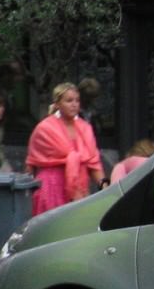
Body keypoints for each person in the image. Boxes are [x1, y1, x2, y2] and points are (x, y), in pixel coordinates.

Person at [25, 82, 105, 215]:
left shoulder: (86, 128)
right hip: (50, 190)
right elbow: (31, 164)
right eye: (69, 100)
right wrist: (25, 195)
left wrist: (107, 190)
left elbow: (95, 165)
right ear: (57, 104)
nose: (74, 104)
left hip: (79, 191)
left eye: (77, 100)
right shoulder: (44, 128)